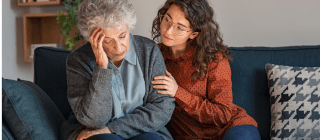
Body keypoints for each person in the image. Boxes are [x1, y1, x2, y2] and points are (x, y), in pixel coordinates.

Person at [60, 0, 175, 140]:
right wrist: (101, 68)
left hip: (144, 130)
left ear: (128, 27)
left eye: (122, 36)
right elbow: (94, 121)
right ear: (92, 38)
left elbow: (162, 108)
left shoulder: (148, 51)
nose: (119, 48)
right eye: (108, 41)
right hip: (93, 132)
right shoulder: (78, 61)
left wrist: (112, 129)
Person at [151, 0, 261, 139]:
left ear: (193, 34)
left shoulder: (214, 59)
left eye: (180, 27)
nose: (168, 30)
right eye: (167, 19)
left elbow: (223, 114)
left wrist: (177, 92)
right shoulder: (154, 55)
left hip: (230, 128)